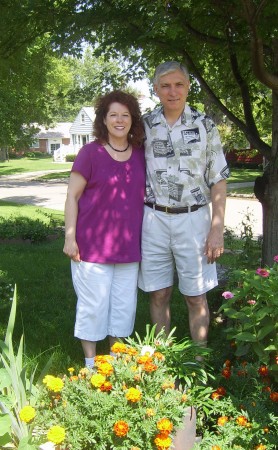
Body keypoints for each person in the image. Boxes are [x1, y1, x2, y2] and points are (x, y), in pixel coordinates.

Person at [138, 61, 229, 347]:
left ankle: (198, 362)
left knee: (195, 295)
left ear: (188, 87)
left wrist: (217, 229)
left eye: (178, 84)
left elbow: (218, 179)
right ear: (155, 89)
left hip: (194, 220)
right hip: (154, 219)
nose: (172, 91)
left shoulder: (205, 126)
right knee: (159, 293)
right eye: (165, 86)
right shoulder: (144, 126)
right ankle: (163, 364)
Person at [63, 90, 145, 368]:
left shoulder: (141, 156)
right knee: (93, 307)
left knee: (123, 309)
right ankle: (90, 366)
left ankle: (114, 364)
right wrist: (69, 237)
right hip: (91, 247)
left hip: (128, 249)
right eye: (114, 115)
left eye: (125, 115)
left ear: (132, 119)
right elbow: (72, 196)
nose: (120, 120)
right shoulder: (90, 153)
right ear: (104, 119)